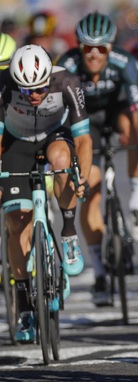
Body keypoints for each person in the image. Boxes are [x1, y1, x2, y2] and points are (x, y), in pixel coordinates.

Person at [57, 12, 138, 306]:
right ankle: (99, 272)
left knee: (135, 128)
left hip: (115, 113)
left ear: (111, 48)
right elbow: (61, 116)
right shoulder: (67, 65)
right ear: (79, 47)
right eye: (87, 47)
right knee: (93, 184)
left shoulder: (125, 63)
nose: (94, 54)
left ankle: (136, 201)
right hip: (85, 123)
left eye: (101, 48)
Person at [0, 44, 92, 342]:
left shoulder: (67, 81)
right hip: (18, 144)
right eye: (26, 91)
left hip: (54, 136)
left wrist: (84, 177)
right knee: (18, 223)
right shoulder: (4, 86)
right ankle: (25, 307)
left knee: (63, 161)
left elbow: (84, 139)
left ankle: (67, 233)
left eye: (39, 89)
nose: (34, 96)